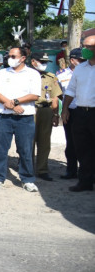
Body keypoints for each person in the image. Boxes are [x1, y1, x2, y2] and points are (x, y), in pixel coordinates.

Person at [0, 47, 40, 192]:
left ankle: (27, 179)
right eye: (9, 55)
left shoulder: (33, 74)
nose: (9, 58)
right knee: (1, 149)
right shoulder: (2, 73)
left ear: (23, 58)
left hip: (25, 118)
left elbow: (34, 95)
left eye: (13, 56)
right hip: (4, 117)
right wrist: (12, 106)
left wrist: (15, 102)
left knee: (25, 149)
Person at [61, 35, 95, 192]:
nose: (86, 50)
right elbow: (71, 90)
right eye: (84, 46)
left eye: (89, 47)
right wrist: (65, 108)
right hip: (81, 113)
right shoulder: (80, 68)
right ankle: (85, 182)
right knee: (82, 148)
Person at [30, 52, 62, 181]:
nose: (44, 65)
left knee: (44, 141)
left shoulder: (51, 77)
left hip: (45, 110)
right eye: (41, 62)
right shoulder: (25, 76)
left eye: (45, 62)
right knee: (28, 141)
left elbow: (55, 97)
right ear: (33, 62)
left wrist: (55, 114)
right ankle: (28, 167)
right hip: (29, 110)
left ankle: (42, 169)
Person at [56, 48, 85, 179]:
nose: (83, 62)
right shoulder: (61, 75)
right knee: (71, 142)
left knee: (87, 142)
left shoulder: (90, 71)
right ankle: (71, 170)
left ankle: (86, 171)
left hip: (87, 111)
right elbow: (59, 93)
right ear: (72, 60)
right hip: (71, 112)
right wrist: (64, 110)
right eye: (80, 60)